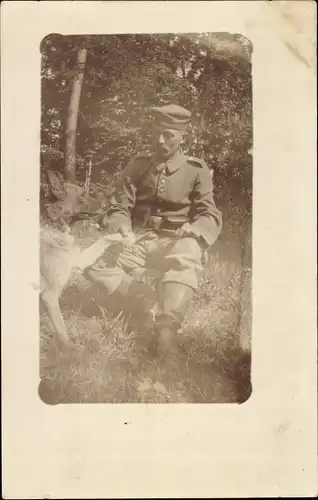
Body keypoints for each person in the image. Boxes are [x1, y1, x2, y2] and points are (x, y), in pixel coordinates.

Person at [85, 104, 223, 361]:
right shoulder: (138, 166)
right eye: (157, 133)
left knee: (188, 253)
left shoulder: (196, 169)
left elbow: (209, 213)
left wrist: (194, 229)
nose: (161, 140)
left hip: (175, 243)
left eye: (168, 135)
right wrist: (122, 226)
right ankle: (142, 300)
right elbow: (119, 205)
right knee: (92, 262)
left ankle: (166, 332)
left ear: (183, 136)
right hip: (139, 241)